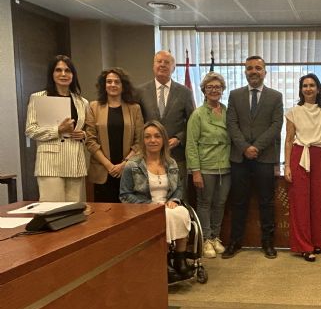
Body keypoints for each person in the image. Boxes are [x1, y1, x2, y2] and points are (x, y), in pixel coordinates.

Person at [222, 56, 283, 259]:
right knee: (239, 202)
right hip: (240, 158)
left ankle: (267, 243)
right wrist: (245, 147)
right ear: (245, 72)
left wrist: (256, 147)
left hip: (264, 158)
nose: (253, 71)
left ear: (265, 72)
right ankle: (235, 242)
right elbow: (231, 124)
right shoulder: (234, 95)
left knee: (266, 202)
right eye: (249, 68)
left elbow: (276, 125)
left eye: (258, 68)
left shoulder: (275, 96)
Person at [120, 120, 192, 280]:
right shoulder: (132, 165)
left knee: (181, 212)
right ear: (143, 140)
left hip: (167, 205)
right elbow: (124, 195)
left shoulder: (171, 163)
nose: (152, 140)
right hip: (144, 209)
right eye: (148, 137)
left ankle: (180, 259)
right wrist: (150, 205)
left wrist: (175, 199)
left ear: (163, 140)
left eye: (157, 136)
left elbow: (179, 188)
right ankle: (164, 260)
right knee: (164, 215)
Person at [25, 55, 89, 202]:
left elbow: (88, 130)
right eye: (58, 70)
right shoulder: (38, 97)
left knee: (75, 213)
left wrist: (83, 134)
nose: (63, 74)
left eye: (68, 70)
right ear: (51, 74)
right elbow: (30, 130)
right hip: (50, 164)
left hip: (75, 162)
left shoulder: (82, 102)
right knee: (52, 212)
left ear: (73, 75)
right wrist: (58, 130)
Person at [136, 50, 195, 201]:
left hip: (176, 155)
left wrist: (179, 138)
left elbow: (192, 122)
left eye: (167, 62)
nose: (162, 65)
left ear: (174, 67)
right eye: (159, 61)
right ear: (153, 66)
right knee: (150, 197)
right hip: (149, 156)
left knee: (178, 197)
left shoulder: (185, 92)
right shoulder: (140, 91)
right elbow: (136, 121)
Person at [284, 73, 321, 262]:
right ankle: (304, 246)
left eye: (312, 85)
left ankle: (316, 242)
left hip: (320, 156)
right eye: (305, 86)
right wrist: (287, 165)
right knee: (300, 203)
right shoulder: (293, 111)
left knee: (318, 202)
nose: (308, 89)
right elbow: (288, 140)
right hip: (299, 156)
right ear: (300, 89)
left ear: (318, 89)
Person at [186, 72, 231, 259]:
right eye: (210, 87)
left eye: (217, 87)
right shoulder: (198, 114)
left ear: (222, 90)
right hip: (205, 167)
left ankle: (216, 237)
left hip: (226, 166)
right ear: (204, 90)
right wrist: (195, 172)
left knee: (220, 204)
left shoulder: (227, 111)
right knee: (205, 203)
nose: (214, 90)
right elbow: (191, 144)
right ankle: (206, 239)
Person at [85, 67, 144, 203]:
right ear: (104, 85)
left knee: (129, 214)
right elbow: (90, 141)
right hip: (102, 171)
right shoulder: (93, 107)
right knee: (104, 216)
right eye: (109, 82)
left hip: (128, 169)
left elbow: (139, 141)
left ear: (123, 86)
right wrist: (109, 166)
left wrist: (123, 164)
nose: (112, 85)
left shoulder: (134, 108)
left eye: (117, 82)